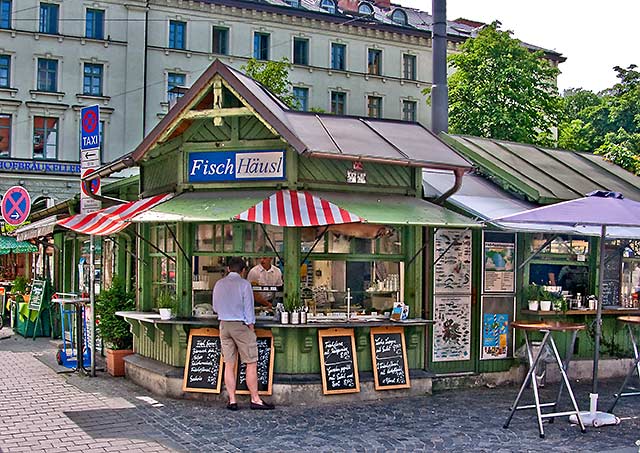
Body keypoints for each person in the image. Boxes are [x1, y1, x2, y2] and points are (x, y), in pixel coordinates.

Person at [212, 257, 274, 411]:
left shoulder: (219, 284)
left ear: (228, 269)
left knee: (229, 365)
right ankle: (255, 399)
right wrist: (251, 328)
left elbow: (215, 307)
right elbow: (249, 310)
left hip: (224, 325)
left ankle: (232, 400)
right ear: (243, 270)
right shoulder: (244, 284)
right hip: (240, 325)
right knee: (251, 364)